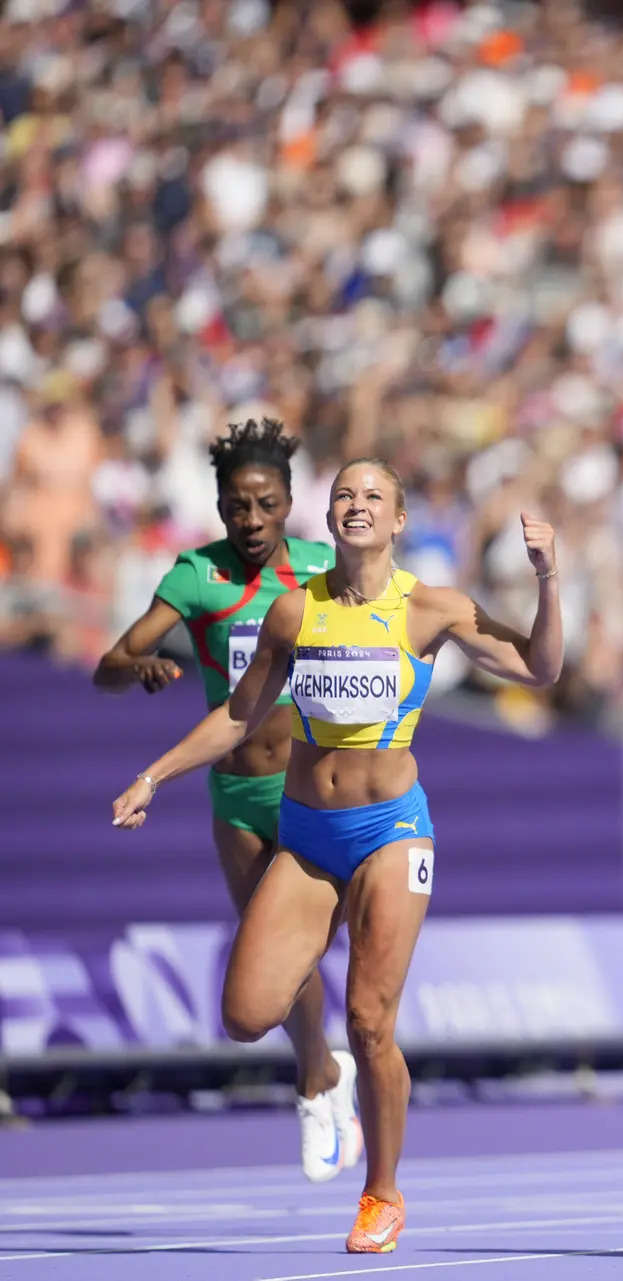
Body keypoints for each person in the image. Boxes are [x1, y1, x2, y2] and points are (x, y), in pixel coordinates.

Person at [111, 459, 563, 1254]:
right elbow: (238, 715)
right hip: (309, 835)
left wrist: (549, 578)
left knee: (370, 1020)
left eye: (373, 497)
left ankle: (382, 1191)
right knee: (246, 1014)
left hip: (391, 831)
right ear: (330, 518)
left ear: (397, 522)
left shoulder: (431, 608)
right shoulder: (295, 612)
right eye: (344, 495)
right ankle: (326, 1075)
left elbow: (541, 666)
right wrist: (154, 774)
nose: (356, 505)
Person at [92, 418, 358, 1182]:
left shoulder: (319, 569)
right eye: (237, 507)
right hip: (237, 794)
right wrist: (134, 667)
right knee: (277, 956)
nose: (250, 521)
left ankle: (327, 1072)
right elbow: (112, 661)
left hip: (312, 787)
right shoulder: (194, 576)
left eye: (266, 505)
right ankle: (318, 1076)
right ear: (217, 503)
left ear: (287, 503)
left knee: (311, 945)